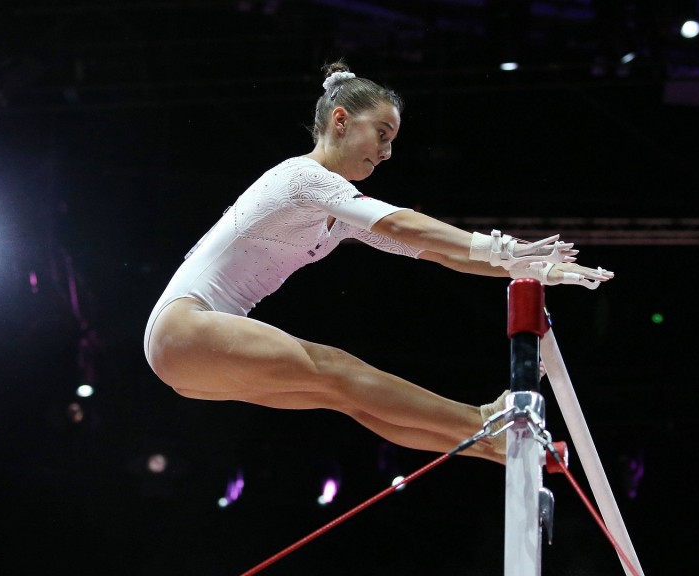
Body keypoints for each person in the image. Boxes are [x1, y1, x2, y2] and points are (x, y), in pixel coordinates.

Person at [143, 60, 613, 465]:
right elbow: (403, 224)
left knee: (349, 397)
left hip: (190, 362)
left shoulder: (340, 217)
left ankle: (484, 446)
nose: (387, 152)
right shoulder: (302, 178)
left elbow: (441, 255)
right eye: (382, 134)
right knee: (336, 366)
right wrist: (503, 247)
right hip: (186, 326)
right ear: (341, 120)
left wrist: (535, 269)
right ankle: (483, 422)